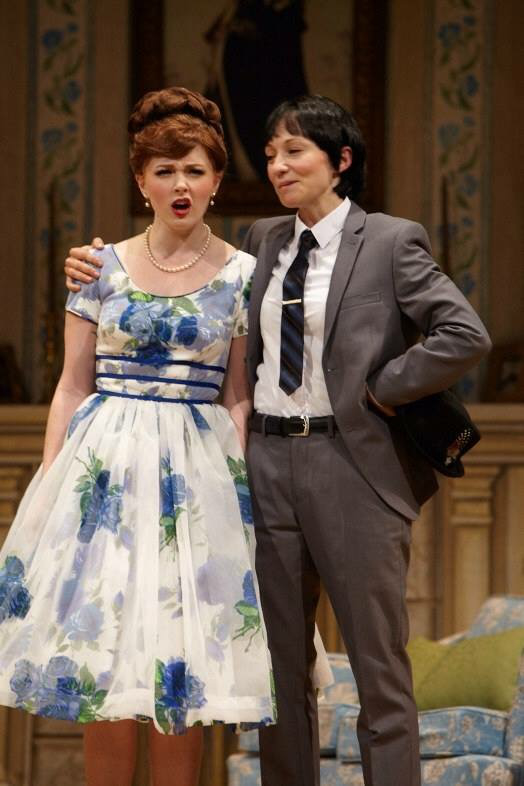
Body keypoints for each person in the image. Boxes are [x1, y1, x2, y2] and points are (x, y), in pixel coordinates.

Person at [64, 95, 492, 786]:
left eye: (294, 152)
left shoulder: (390, 240)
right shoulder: (263, 241)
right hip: (265, 464)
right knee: (278, 674)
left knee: (378, 670)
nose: (278, 167)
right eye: (269, 156)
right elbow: (178, 275)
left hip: (351, 465)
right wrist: (89, 262)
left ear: (340, 160)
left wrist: (384, 388)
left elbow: (464, 333)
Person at [0, 87, 277, 786]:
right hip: (107, 476)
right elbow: (71, 385)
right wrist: (51, 483)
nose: (180, 184)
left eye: (194, 170)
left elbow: (237, 395)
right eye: (164, 170)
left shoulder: (243, 276)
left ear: (217, 181)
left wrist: (239, 499)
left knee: (179, 666)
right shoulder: (98, 268)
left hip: (195, 478)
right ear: (140, 181)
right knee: (106, 657)